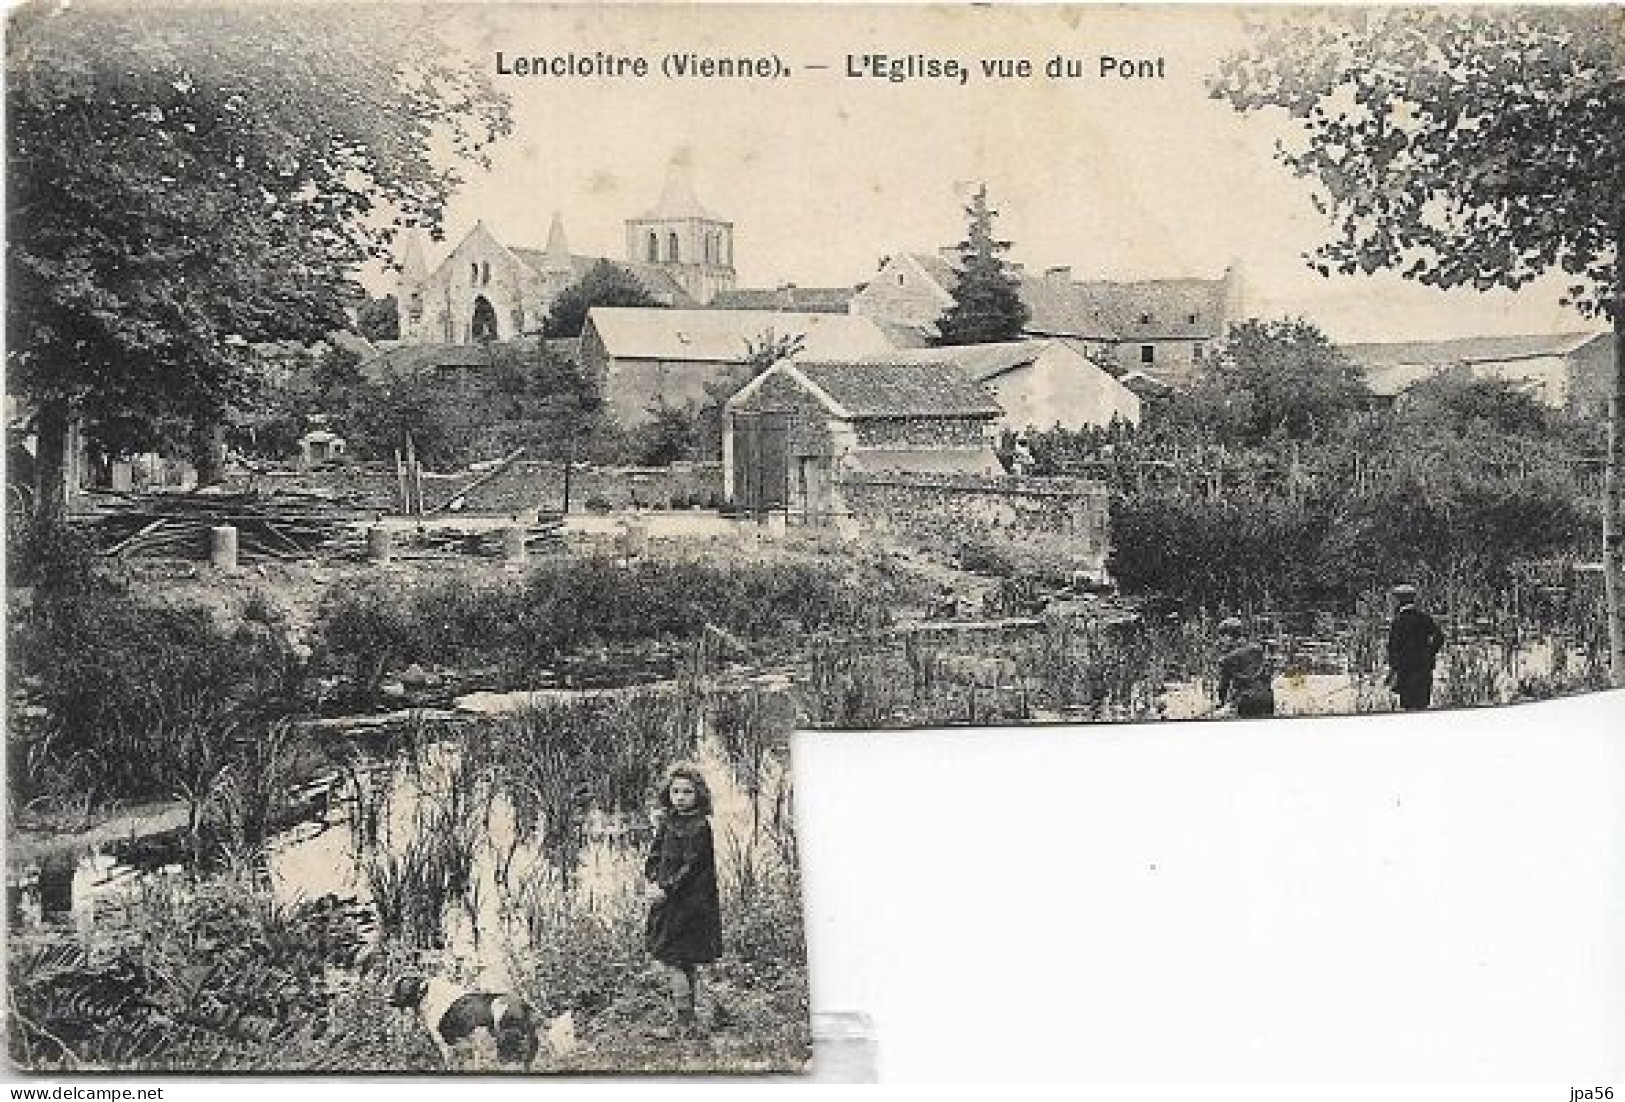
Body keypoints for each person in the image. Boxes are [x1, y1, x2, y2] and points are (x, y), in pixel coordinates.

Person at [644, 763, 722, 1040]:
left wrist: (667, 888)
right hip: (668, 902)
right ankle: (686, 1020)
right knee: (680, 961)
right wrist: (652, 879)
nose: (680, 797)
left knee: (676, 961)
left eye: (687, 792)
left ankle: (684, 1025)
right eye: (676, 791)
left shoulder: (700, 827)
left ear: (698, 795)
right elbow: (654, 855)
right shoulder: (667, 822)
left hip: (690, 905)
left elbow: (691, 867)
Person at [1386, 584, 1445, 711]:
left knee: (1409, 708)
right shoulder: (1424, 618)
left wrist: (1394, 667)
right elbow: (1439, 637)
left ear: (1399, 601)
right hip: (1424, 669)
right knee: (1422, 706)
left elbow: (1393, 648)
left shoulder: (1398, 622)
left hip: (1406, 672)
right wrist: (1429, 653)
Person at [1215, 616, 1275, 717]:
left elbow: (1223, 688)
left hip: (1246, 702)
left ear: (1228, 637)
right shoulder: (1258, 649)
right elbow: (1267, 674)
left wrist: (1221, 704)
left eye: (1222, 637)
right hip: (1267, 699)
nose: (1221, 642)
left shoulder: (1227, 659)